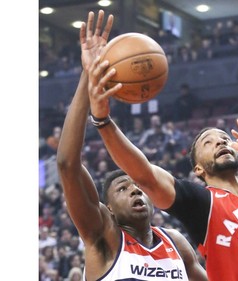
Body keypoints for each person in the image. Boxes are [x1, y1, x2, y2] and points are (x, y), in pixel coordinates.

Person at [85, 13, 238, 281]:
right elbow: (145, 175)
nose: (220, 141)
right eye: (208, 142)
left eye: (223, 137)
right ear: (198, 168)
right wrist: (103, 121)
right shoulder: (200, 203)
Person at [56, 10, 207, 281]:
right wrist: (88, 76)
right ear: (109, 207)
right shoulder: (104, 236)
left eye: (137, 186)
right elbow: (68, 165)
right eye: (123, 189)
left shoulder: (176, 244)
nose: (135, 190)